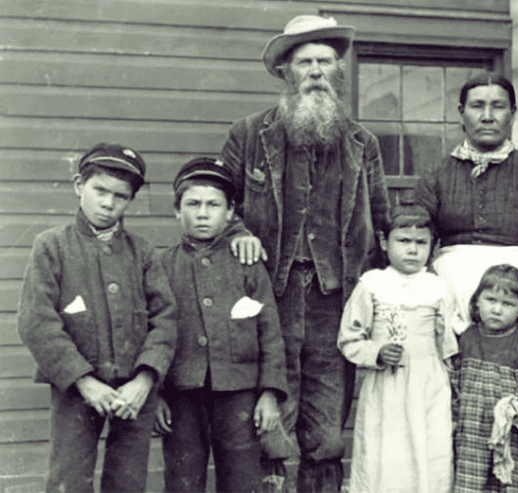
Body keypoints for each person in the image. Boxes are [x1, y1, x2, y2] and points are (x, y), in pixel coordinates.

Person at [219, 14, 390, 492]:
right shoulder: (250, 135)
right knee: (268, 419)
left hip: (334, 302)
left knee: (326, 426)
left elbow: (383, 220)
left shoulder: (362, 144)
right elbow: (220, 201)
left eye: (325, 62)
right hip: (266, 297)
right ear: (285, 73)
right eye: (304, 62)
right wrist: (237, 230)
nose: (316, 71)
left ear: (338, 72)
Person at [415, 72, 518, 492]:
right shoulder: (436, 174)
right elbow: (416, 235)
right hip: (451, 305)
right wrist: (434, 308)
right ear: (461, 114)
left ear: (513, 113)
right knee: (454, 406)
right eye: (477, 106)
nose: (488, 115)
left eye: (498, 105)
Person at [16, 143, 177, 493]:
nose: (108, 203)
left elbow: (165, 319)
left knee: (128, 480)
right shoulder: (52, 246)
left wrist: (145, 380)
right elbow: (36, 322)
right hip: (75, 389)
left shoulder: (143, 251)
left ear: (131, 200)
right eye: (99, 190)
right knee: (69, 478)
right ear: (78, 185)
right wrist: (84, 382)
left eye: (120, 196)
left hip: (135, 392)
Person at [153, 157, 288, 492]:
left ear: (230, 213)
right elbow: (150, 332)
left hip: (239, 392)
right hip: (181, 392)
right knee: (183, 479)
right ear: (176, 211)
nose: (202, 213)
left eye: (213, 205)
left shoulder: (247, 263)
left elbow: (269, 332)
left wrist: (269, 393)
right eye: (192, 204)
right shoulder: (160, 265)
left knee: (242, 479)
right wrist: (155, 395)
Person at [337, 203, 457, 493]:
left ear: (433, 245)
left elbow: (449, 345)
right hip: (386, 387)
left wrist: (453, 385)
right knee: (385, 456)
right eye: (403, 241)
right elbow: (349, 338)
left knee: (430, 450)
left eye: (421, 242)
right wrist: (376, 352)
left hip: (428, 385)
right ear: (384, 241)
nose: (413, 250)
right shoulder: (372, 285)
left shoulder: (438, 287)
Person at [453, 264, 518, 492]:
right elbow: (453, 384)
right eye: (491, 300)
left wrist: (516, 408)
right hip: (472, 435)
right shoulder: (466, 340)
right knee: (474, 483)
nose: (497, 310)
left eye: (507, 304)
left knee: (515, 484)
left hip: (516, 437)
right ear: (476, 302)